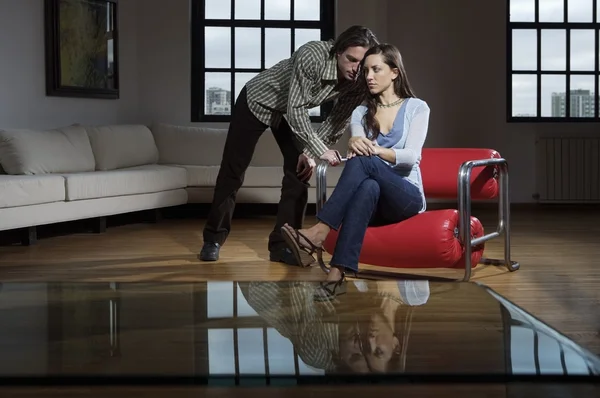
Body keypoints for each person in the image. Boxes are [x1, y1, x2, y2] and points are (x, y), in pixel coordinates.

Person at [199, 25, 379, 265]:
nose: (357, 69)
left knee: (299, 172)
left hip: (290, 114)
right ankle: (213, 239)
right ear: (337, 52)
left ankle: (284, 245)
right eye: (351, 60)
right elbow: (296, 109)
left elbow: (337, 120)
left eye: (362, 63)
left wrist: (311, 154)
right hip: (258, 101)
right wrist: (319, 148)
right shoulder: (313, 55)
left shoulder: (359, 80)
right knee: (233, 172)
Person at [281, 43, 431, 299]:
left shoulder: (417, 107)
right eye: (365, 71)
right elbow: (357, 146)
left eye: (376, 69)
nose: (368, 76)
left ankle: (319, 232)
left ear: (394, 72)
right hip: (374, 202)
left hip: (405, 197)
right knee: (368, 183)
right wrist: (353, 141)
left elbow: (410, 157)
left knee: (363, 159)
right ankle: (337, 274)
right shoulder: (360, 112)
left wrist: (375, 150)